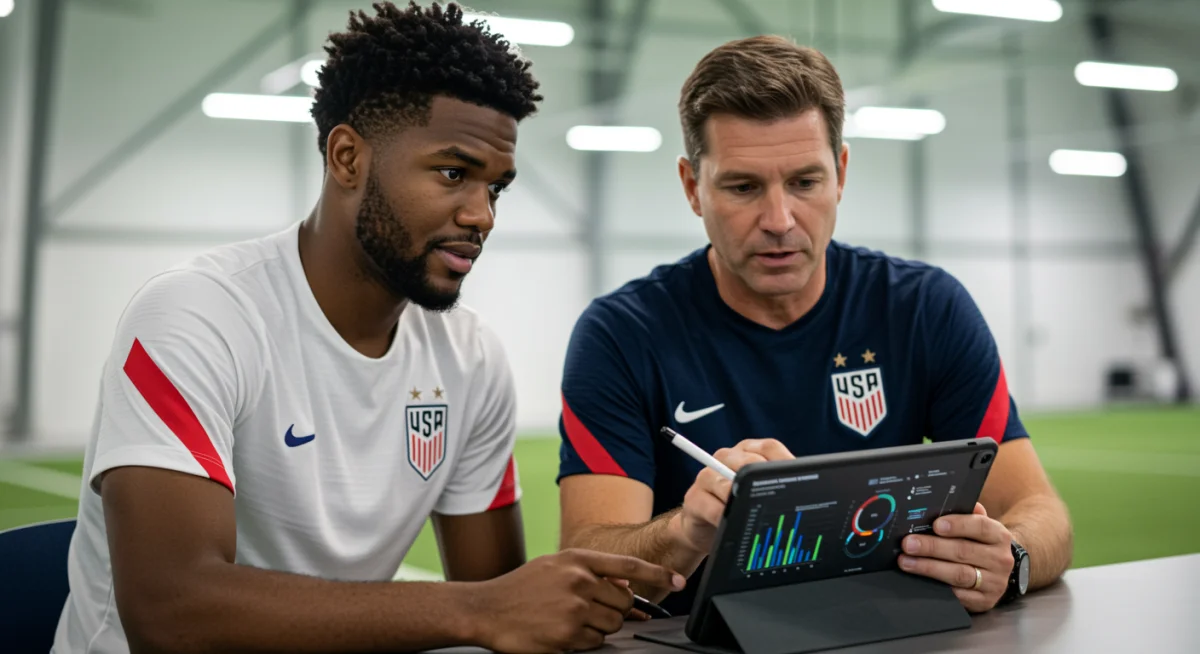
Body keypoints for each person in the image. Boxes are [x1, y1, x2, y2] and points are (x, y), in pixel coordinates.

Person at [52, 3, 683, 653]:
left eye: (497, 188)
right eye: (453, 173)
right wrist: (475, 610)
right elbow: (172, 613)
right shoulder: (194, 318)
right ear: (348, 157)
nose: (483, 215)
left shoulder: (470, 358)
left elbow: (502, 599)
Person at [556, 35, 1073, 618]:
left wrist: (1013, 558)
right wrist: (687, 529)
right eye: (743, 186)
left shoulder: (926, 308)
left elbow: (1040, 512)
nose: (779, 220)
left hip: (891, 633)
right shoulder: (622, 334)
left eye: (804, 182)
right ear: (692, 187)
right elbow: (587, 560)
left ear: (841, 172)